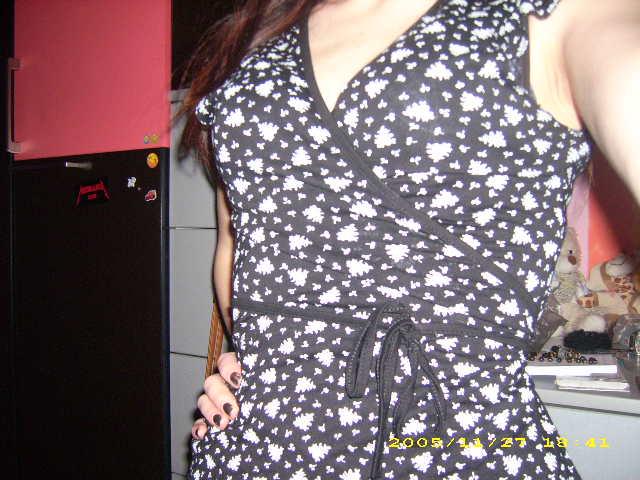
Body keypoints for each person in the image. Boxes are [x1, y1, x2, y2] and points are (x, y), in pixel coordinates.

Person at [175, 0, 640, 478]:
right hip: (261, 453)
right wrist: (263, 363)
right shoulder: (257, 39)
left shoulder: (556, 13)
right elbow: (239, 238)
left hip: (459, 453)